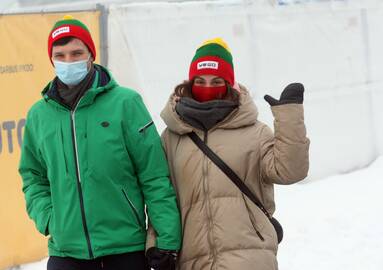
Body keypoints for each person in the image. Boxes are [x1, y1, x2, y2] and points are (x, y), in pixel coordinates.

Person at [19, 15, 181, 270]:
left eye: (76, 53)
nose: (68, 61)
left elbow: (154, 177)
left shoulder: (126, 104)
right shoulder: (39, 115)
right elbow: (32, 176)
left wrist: (167, 241)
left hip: (125, 248)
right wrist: (50, 219)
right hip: (66, 251)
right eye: (60, 55)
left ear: (91, 55)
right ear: (51, 59)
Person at [158, 38, 310, 270]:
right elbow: (161, 198)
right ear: (189, 84)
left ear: (230, 85)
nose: (207, 87)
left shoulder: (255, 132)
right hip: (192, 260)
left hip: (249, 257)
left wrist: (289, 117)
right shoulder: (172, 137)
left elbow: (290, 171)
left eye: (217, 81)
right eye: (200, 81)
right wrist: (156, 245)